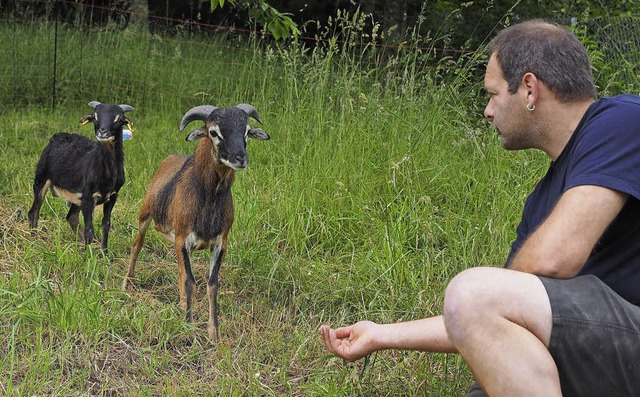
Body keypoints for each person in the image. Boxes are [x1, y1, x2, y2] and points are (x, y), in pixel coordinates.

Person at [319, 19, 640, 397]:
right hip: (600, 354)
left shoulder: (623, 120)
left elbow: (552, 260)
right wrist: (380, 335)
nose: (488, 111)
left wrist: (486, 294)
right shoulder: (542, 202)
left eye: (492, 94)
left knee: (474, 293)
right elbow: (482, 316)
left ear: (529, 89)